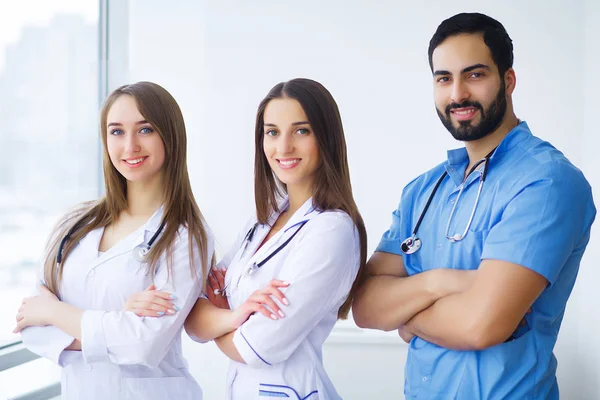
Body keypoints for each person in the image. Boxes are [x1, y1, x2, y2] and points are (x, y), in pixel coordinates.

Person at [352, 13, 596, 399]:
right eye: (444, 78)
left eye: (475, 74)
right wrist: (439, 282)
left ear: (508, 80)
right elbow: (365, 307)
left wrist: (408, 318)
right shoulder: (423, 190)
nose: (457, 94)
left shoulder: (546, 183)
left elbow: (480, 325)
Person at [127, 78, 367, 399]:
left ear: (326, 137)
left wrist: (221, 317)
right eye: (272, 132)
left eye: (301, 131)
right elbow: (192, 317)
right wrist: (237, 316)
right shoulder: (263, 220)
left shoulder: (332, 230)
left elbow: (255, 347)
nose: (283, 148)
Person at [14, 81, 215, 400]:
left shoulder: (186, 236)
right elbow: (30, 323)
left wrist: (55, 313)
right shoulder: (74, 223)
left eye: (145, 130)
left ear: (170, 136)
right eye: (117, 131)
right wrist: (118, 322)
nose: (130, 146)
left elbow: (142, 344)